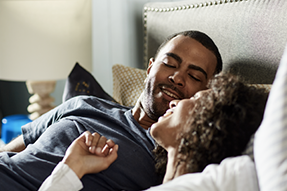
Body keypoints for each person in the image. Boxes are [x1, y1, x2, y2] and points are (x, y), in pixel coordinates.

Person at [0, 30, 222, 191]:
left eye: (194, 76)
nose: (177, 78)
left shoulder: (181, 154)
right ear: (150, 67)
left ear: (204, 94)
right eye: (170, 64)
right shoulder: (84, 104)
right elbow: (10, 152)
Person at [39, 72, 269, 191]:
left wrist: (69, 170)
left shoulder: (228, 177)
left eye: (196, 98)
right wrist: (73, 167)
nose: (174, 102)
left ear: (216, 120)